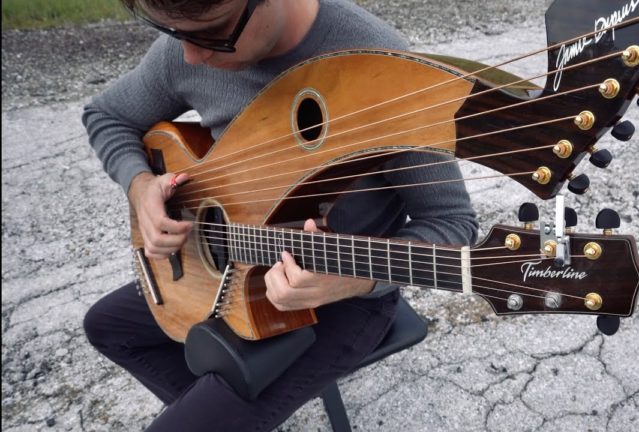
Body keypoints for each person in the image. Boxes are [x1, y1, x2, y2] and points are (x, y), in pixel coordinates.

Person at [82, 0, 478, 430]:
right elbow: (107, 115)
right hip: (216, 265)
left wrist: (351, 281)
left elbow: (453, 223)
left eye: (212, 32)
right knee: (108, 327)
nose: (191, 57)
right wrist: (139, 184)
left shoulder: (381, 65)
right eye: (176, 34)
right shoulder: (188, 43)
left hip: (341, 299)